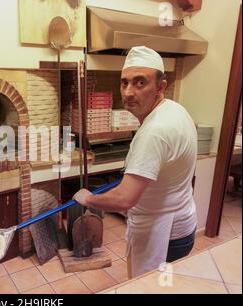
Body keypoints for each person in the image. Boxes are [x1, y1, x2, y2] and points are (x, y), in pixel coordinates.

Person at [73, 46, 198, 278]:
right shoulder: (175, 110)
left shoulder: (154, 131)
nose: (129, 92)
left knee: (148, 289)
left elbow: (124, 199)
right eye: (124, 82)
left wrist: (88, 198)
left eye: (140, 83)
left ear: (161, 86)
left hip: (162, 235)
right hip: (182, 226)